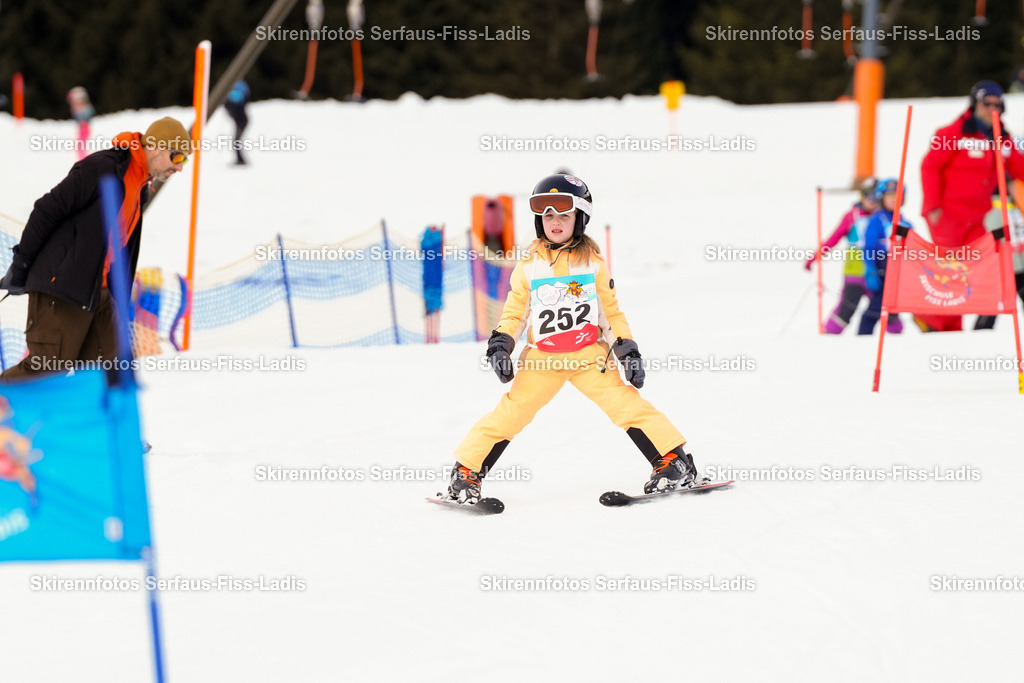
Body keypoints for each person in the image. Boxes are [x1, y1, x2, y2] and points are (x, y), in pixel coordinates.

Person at [442, 173, 698, 504]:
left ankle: (674, 461)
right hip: (543, 359)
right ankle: (466, 473)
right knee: (511, 413)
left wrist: (627, 350)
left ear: (580, 218)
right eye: (548, 215)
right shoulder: (529, 266)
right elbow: (516, 312)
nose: (555, 222)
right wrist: (501, 345)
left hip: (588, 356)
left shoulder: (592, 263)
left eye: (564, 215)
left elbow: (610, 313)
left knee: (625, 404)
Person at [0, 117, 192, 380]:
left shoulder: (140, 186)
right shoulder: (105, 168)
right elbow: (46, 209)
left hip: (99, 292)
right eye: (177, 157)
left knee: (108, 373)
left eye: (184, 161)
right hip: (64, 286)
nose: (180, 167)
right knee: (46, 373)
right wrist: (22, 264)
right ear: (156, 147)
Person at [919, 79, 1024, 331]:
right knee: (950, 270)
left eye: (997, 105)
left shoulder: (1002, 137)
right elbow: (929, 167)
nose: (992, 109)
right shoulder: (953, 133)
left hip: (979, 218)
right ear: (975, 104)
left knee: (986, 267)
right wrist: (933, 207)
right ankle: (938, 324)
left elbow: (1018, 167)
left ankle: (981, 322)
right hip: (949, 216)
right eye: (987, 104)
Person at [805, 178, 896, 334]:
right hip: (856, 273)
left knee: (885, 308)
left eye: (875, 198)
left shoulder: (883, 218)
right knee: (847, 309)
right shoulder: (852, 216)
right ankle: (828, 336)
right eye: (868, 197)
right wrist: (816, 256)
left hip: (878, 272)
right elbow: (834, 238)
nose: (872, 202)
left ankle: (896, 338)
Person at [860, 178, 913, 335]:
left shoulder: (904, 223)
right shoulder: (877, 220)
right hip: (881, 270)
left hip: (900, 272)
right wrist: (870, 269)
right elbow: (869, 246)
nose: (893, 199)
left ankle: (897, 337)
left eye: (897, 196)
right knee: (876, 308)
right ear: (881, 198)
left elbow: (912, 247)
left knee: (893, 310)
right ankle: (862, 337)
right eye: (889, 196)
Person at [975, 189, 1024, 329]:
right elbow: (990, 238)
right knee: (992, 304)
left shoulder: (1018, 206)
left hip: (1019, 265)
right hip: (1003, 267)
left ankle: (981, 331)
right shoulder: (994, 211)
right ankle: (980, 333)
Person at [223, 80, 251, 165]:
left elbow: (232, 109)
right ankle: (240, 160)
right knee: (236, 141)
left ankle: (241, 160)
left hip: (241, 121)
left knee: (236, 141)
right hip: (242, 121)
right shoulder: (238, 99)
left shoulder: (234, 100)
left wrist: (227, 106)